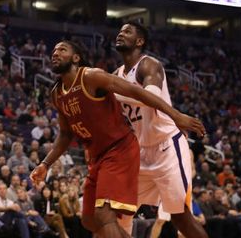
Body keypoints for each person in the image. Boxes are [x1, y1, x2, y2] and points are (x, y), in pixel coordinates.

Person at [30, 40, 204, 238]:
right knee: (89, 220)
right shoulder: (56, 93)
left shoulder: (91, 76)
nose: (55, 53)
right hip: (96, 157)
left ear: (76, 58)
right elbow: (65, 134)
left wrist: (175, 115)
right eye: (53, 50)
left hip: (119, 149)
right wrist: (45, 164)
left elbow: (136, 91)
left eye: (62, 50)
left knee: (104, 215)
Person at [112, 22, 208, 238]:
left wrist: (113, 92)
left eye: (127, 31)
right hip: (140, 152)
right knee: (121, 211)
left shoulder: (149, 65)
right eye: (120, 30)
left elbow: (151, 98)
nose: (120, 33)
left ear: (140, 41)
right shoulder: (115, 75)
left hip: (168, 147)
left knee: (179, 216)